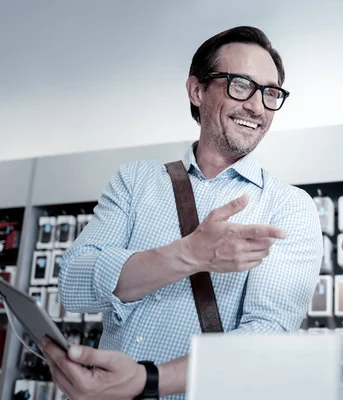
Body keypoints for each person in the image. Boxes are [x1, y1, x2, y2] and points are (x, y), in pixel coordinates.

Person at [40, 26, 323, 399]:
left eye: (271, 93)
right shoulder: (136, 181)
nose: (257, 106)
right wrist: (190, 254)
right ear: (197, 90)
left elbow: (268, 334)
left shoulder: (289, 206)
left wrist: (147, 380)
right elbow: (73, 285)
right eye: (241, 85)